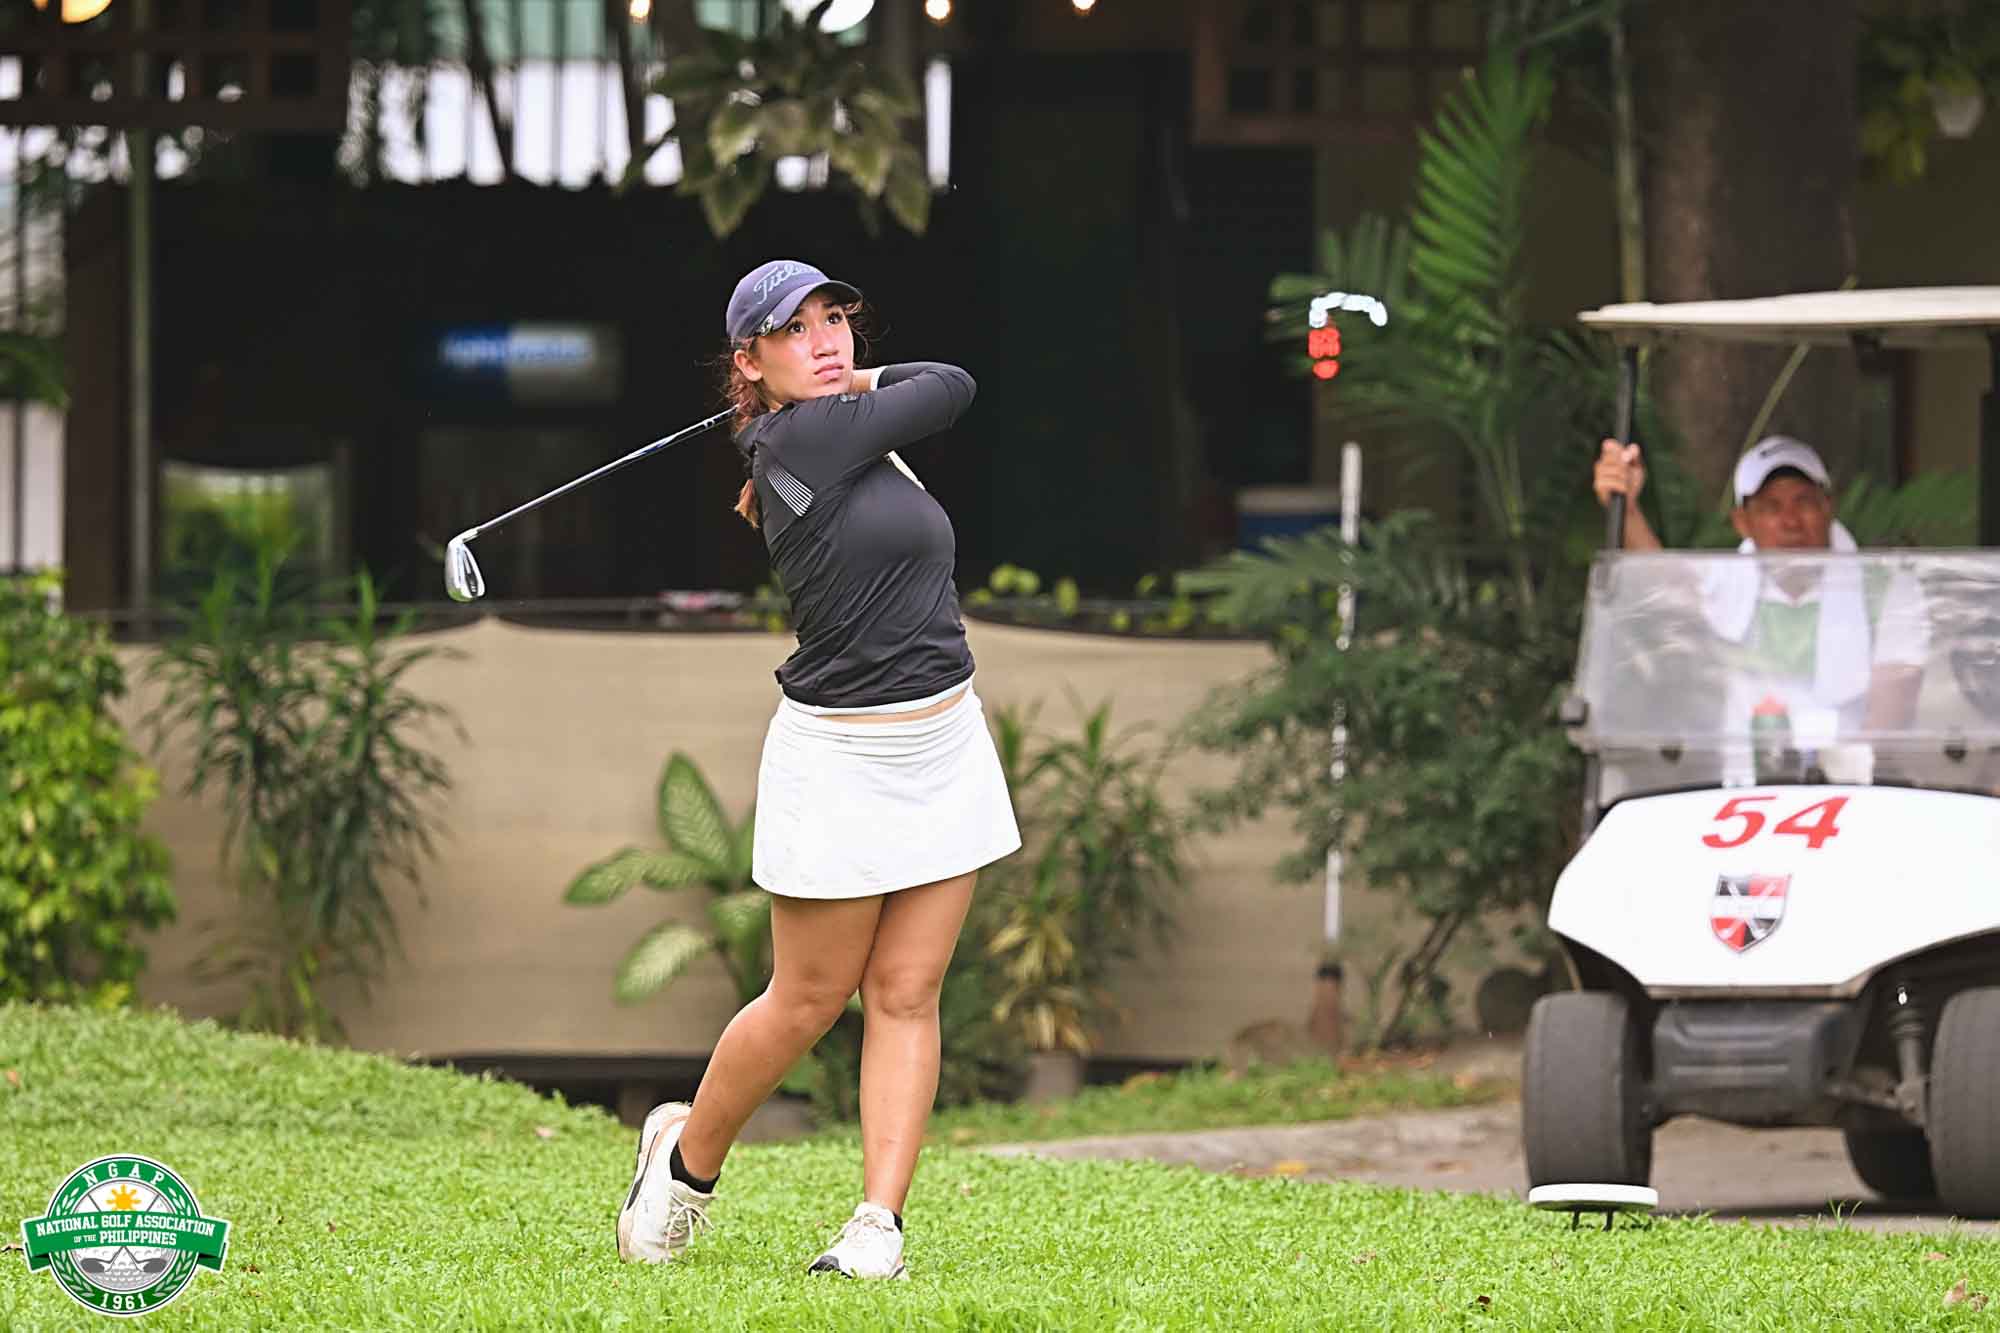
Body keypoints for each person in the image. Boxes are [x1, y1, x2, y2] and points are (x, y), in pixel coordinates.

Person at [615, 260, 1021, 1278]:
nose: (827, 339)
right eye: (794, 330)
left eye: (834, 319)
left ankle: (877, 1226)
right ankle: (684, 1164)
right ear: (748, 361)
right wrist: (847, 384)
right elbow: (951, 384)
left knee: (908, 990)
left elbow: (935, 385)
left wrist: (836, 378)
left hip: (943, 738)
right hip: (843, 753)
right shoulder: (802, 437)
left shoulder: (832, 426)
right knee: (807, 999)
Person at [1591, 433, 1928, 742]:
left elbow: (1892, 712)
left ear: (1828, 507)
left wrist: (1845, 773)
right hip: (1740, 780)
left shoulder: (1887, 587)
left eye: (1803, 502)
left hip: (1856, 776)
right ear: (1742, 523)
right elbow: (1664, 590)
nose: (1791, 522)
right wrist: (1628, 511)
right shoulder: (1723, 581)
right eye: (1770, 507)